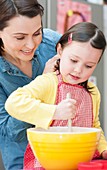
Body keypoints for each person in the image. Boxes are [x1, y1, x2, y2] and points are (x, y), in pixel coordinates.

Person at [5, 22, 107, 169]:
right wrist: (55, 112)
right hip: (48, 161)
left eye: (89, 66)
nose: (78, 70)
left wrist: (103, 149)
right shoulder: (49, 82)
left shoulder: (92, 91)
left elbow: (94, 127)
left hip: (82, 160)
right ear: (60, 51)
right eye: (73, 60)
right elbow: (13, 103)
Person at [0, 0, 61, 170]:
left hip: (65, 150)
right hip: (22, 159)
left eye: (37, 33)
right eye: (20, 37)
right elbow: (9, 132)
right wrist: (43, 84)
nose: (31, 44)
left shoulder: (53, 43)